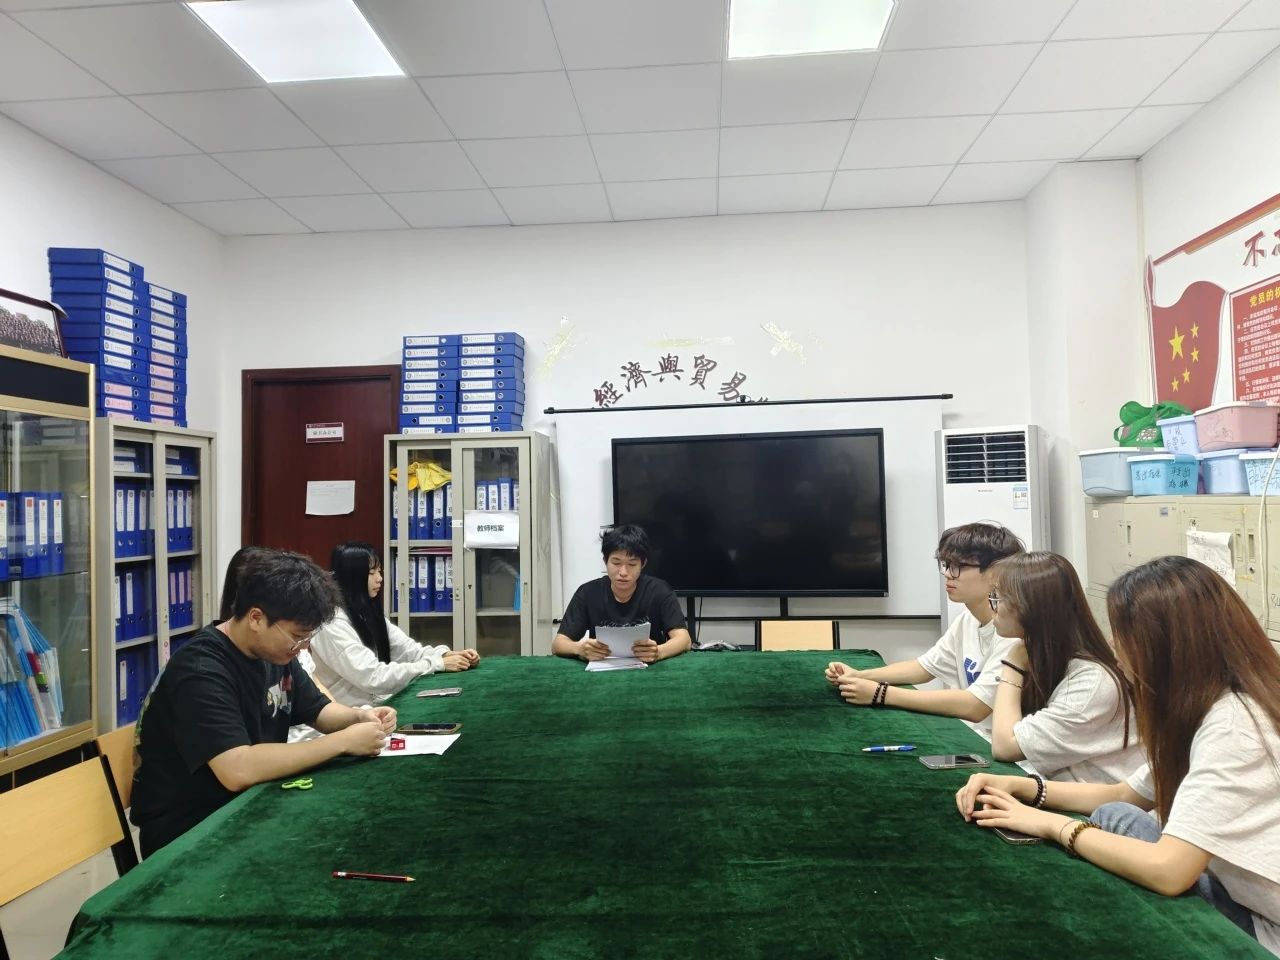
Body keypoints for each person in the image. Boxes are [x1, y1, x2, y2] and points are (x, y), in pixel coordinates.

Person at [955, 557, 1280, 953]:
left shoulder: (1233, 725)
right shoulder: (1220, 704)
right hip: (1241, 891)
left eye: (1123, 635)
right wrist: (1024, 788)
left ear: (1164, 646)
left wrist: (1051, 826)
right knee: (1115, 814)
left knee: (1113, 831)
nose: (1115, 647)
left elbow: (1170, 870)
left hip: (1265, 925)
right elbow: (1125, 793)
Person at [130, 550, 395, 857]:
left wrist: (358, 718)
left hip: (248, 805)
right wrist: (343, 742)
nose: (302, 647)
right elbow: (237, 769)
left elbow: (319, 711)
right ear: (256, 618)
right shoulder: (201, 670)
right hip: (191, 832)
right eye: (297, 636)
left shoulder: (274, 652)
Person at [824, 522, 1023, 730]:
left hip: (999, 746)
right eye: (946, 564)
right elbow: (924, 668)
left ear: (995, 572)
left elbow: (975, 706)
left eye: (959, 566)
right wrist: (858, 675)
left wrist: (880, 693)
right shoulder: (967, 619)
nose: (948, 574)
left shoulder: (1012, 631)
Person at [985, 551, 1143, 782]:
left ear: (1028, 607)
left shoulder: (1092, 681)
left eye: (996, 597)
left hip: (1099, 802)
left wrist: (1013, 666)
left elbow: (1005, 746)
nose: (992, 606)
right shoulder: (1042, 657)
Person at [309, 541, 478, 706]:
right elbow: (373, 677)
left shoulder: (367, 613)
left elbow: (409, 651)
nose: (380, 579)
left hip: (378, 706)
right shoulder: (331, 624)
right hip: (350, 714)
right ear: (352, 577)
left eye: (379, 571)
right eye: (372, 573)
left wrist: (446, 655)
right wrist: (437, 664)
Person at [552, 524, 692, 663]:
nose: (623, 572)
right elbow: (558, 643)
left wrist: (659, 652)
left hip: (649, 668)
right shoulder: (588, 592)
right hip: (602, 668)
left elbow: (684, 640)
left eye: (632, 564)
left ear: (643, 564)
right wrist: (579, 648)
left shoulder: (659, 591)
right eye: (616, 563)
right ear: (605, 561)